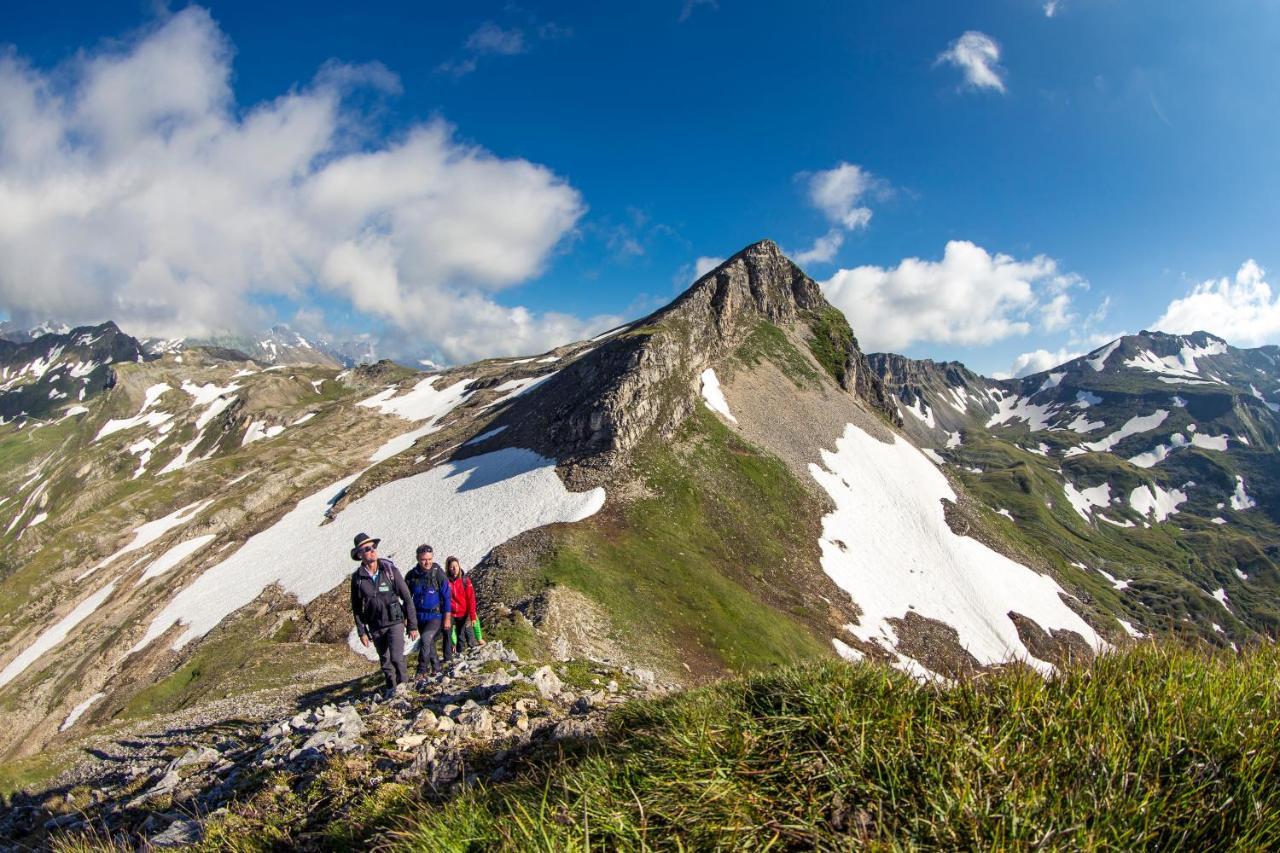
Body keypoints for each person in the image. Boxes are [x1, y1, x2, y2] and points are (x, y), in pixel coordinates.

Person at [349, 532, 419, 698]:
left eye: (373, 547)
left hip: (395, 621)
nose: (372, 551)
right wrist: (362, 632)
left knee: (396, 657)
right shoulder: (358, 578)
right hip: (375, 625)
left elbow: (407, 597)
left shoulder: (389, 570)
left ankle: (404, 689)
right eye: (367, 549)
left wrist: (412, 625)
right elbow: (357, 607)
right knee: (385, 661)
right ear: (360, 554)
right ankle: (391, 690)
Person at [405, 544, 451, 679]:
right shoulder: (412, 576)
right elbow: (406, 598)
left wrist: (447, 617)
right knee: (428, 642)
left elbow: (447, 597)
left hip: (435, 615)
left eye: (430, 559)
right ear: (418, 559)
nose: (427, 562)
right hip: (419, 616)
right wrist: (407, 618)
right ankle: (436, 667)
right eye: (424, 559)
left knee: (425, 638)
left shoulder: (438, 574)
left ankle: (421, 670)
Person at [445, 556, 484, 657]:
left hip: (464, 613)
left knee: (469, 635)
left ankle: (475, 655)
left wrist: (472, 615)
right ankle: (460, 656)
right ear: (448, 568)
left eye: (456, 566)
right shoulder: (445, 582)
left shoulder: (465, 580)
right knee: (459, 638)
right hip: (452, 614)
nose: (454, 569)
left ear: (459, 566)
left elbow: (471, 598)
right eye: (452, 567)